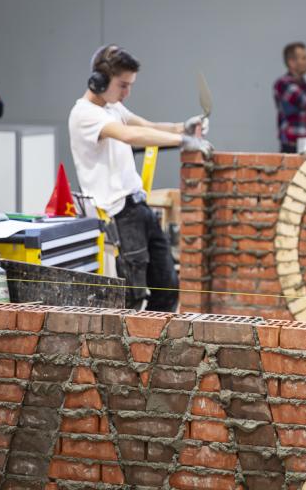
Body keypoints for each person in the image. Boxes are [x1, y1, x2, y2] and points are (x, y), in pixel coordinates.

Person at [69, 44, 212, 312]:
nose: (127, 92)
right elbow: (130, 136)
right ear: (99, 81)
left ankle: (156, 347)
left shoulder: (113, 109)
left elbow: (146, 127)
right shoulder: (84, 114)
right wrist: (183, 141)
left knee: (168, 287)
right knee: (132, 296)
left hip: (139, 207)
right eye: (123, 85)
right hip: (119, 213)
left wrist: (184, 127)